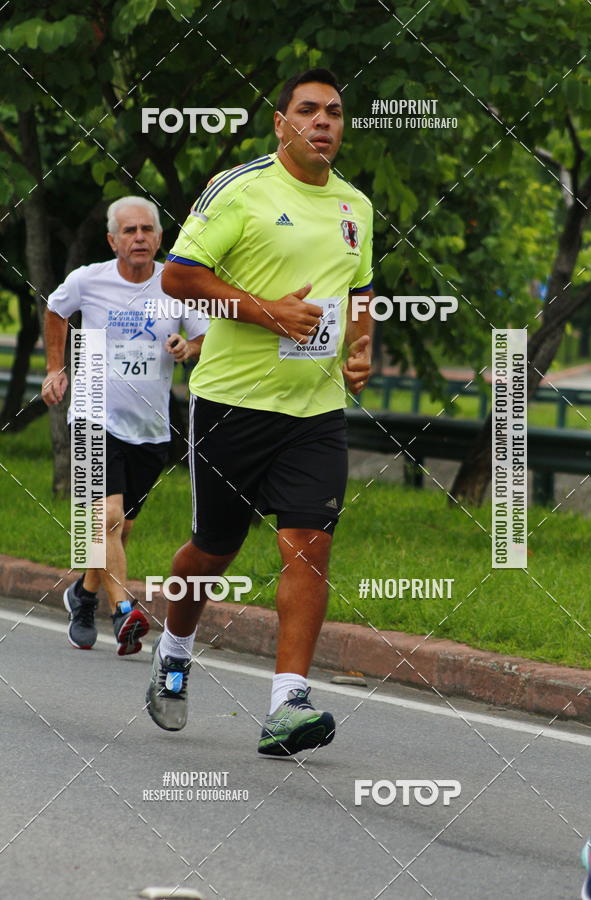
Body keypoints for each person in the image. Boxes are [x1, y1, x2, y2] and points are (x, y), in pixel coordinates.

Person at [146, 68, 374, 756]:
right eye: (307, 110)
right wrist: (267, 312)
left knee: (311, 546)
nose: (322, 121)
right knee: (213, 548)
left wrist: (361, 347)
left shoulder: (356, 205)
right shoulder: (241, 189)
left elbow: (360, 289)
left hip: (315, 411)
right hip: (231, 404)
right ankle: (174, 648)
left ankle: (287, 705)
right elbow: (178, 275)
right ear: (281, 123)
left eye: (334, 111)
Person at [43, 196, 208, 656]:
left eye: (147, 230)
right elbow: (56, 310)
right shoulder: (89, 279)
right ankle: (123, 611)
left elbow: (202, 336)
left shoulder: (175, 284)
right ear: (112, 240)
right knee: (106, 518)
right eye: (129, 231)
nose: (139, 237)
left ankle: (83, 594)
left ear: (160, 237)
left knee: (120, 529)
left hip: (149, 427)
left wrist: (187, 348)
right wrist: (55, 369)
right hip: (92, 414)